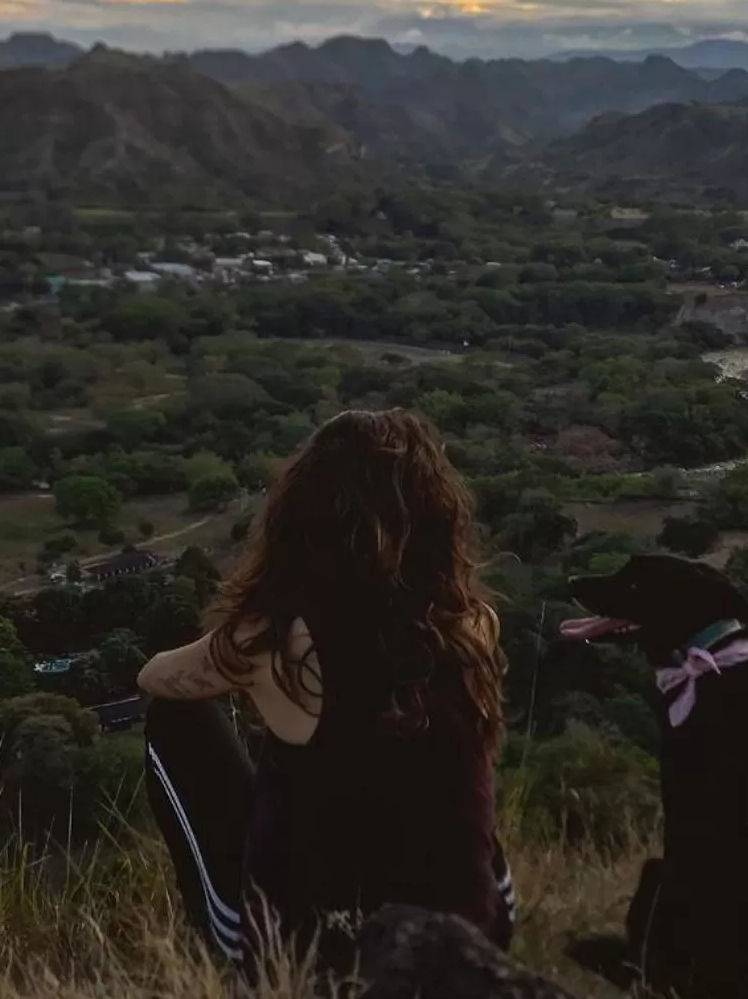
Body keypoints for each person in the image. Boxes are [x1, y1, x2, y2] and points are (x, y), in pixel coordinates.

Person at [137, 408, 515, 970]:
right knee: (440, 760)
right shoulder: (473, 624)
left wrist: (254, 679)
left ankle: (233, 941)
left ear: (302, 516)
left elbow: (155, 677)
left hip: (314, 956)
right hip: (473, 943)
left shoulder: (274, 639)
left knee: (175, 718)